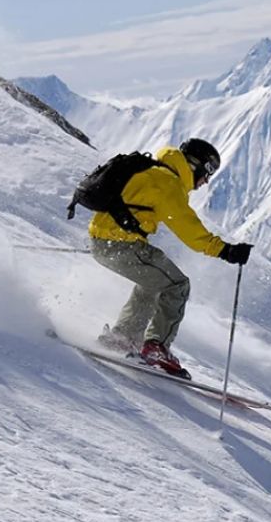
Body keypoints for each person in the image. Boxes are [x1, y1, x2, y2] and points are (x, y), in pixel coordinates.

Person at [88, 138, 253, 379]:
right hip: (121, 245)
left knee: (154, 281)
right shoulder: (168, 183)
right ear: (195, 165)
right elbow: (190, 231)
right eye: (207, 173)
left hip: (104, 242)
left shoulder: (153, 170)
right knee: (177, 285)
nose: (206, 181)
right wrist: (226, 250)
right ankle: (156, 348)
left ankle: (124, 337)